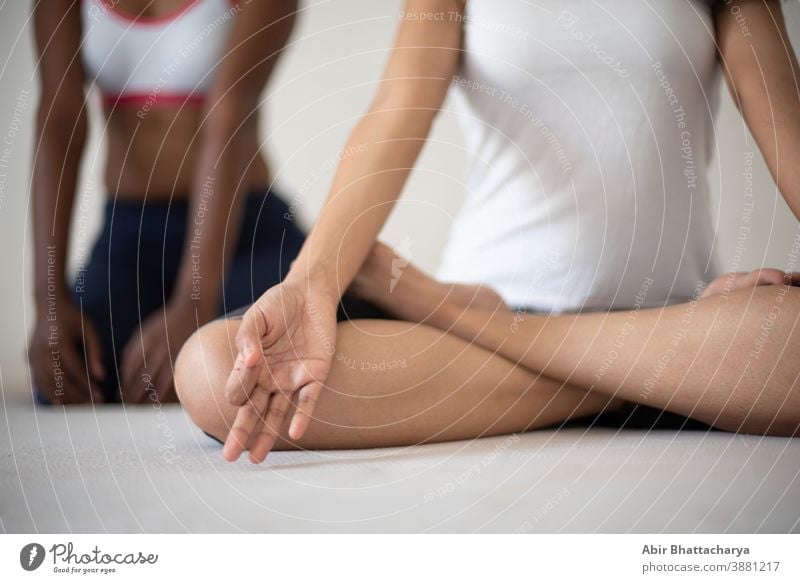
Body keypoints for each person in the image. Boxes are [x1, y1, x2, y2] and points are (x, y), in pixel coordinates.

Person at [175, 0, 800, 464]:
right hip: (590, 343)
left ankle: (435, 302)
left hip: (669, 321)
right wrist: (309, 283)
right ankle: (653, 390)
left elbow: (789, 123)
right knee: (214, 371)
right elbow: (395, 112)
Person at [29, 0, 305, 405]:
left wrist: (194, 300)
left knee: (232, 365)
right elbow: (59, 119)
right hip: (130, 233)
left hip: (245, 230)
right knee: (69, 375)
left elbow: (227, 115)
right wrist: (47, 302)